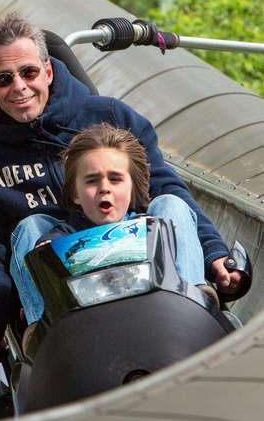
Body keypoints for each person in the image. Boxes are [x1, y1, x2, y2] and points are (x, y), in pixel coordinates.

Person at [0, 13, 240, 362]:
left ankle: (194, 303)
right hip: (61, 275)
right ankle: (43, 334)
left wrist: (214, 254)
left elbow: (165, 185)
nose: (19, 87)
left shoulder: (109, 118)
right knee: (31, 226)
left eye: (28, 73)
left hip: (135, 253)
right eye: (4, 79)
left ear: (48, 71)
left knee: (168, 205)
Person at [24, 124, 215, 318]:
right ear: (75, 194)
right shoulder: (65, 233)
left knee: (171, 202)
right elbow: (50, 243)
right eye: (92, 181)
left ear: (132, 189)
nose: (104, 188)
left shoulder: (148, 227)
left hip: (157, 313)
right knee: (31, 228)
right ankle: (41, 320)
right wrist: (47, 250)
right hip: (87, 320)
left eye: (115, 179)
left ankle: (192, 294)